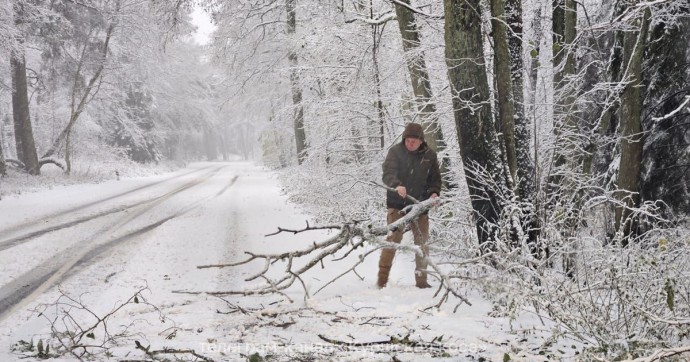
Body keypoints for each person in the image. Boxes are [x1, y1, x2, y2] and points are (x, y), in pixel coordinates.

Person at [378, 123, 441, 289]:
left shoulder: (430, 156)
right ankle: (382, 280)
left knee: (422, 242)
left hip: (420, 205)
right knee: (393, 239)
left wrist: (434, 193)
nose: (410, 143)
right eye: (408, 140)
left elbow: (435, 179)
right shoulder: (395, 152)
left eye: (414, 141)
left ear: (421, 141)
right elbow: (388, 173)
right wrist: (397, 185)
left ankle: (422, 281)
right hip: (396, 203)